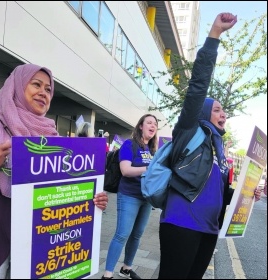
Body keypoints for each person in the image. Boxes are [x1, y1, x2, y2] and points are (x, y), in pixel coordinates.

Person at [0, 64, 108, 279]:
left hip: (36, 247)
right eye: (36, 84)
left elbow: (64, 193)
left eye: (48, 89)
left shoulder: (53, 140)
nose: (43, 92)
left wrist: (92, 200)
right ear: (17, 86)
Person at [157, 13, 262, 279]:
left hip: (208, 230)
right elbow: (197, 86)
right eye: (217, 109)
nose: (223, 113)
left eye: (224, 110)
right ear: (203, 113)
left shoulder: (219, 147)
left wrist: (244, 197)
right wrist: (215, 34)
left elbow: (215, 190)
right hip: (182, 224)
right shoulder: (189, 131)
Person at [101, 114, 158, 279]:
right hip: (129, 196)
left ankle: (126, 268)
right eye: (149, 122)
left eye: (155, 124)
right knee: (122, 234)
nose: (152, 125)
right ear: (141, 126)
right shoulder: (129, 144)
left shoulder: (152, 150)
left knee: (137, 235)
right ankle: (107, 275)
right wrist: (148, 170)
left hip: (146, 198)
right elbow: (126, 170)